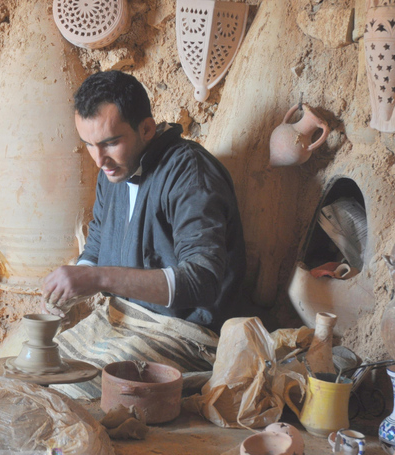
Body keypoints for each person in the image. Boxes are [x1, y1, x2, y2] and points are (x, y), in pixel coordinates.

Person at [41, 70, 245, 336]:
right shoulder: (113, 171)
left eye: (110, 143)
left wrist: (97, 278)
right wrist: (73, 283)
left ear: (146, 129)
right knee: (40, 367)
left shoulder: (190, 172)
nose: (98, 160)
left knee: (85, 378)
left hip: (189, 333)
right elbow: (99, 241)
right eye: (89, 145)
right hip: (127, 322)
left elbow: (202, 280)